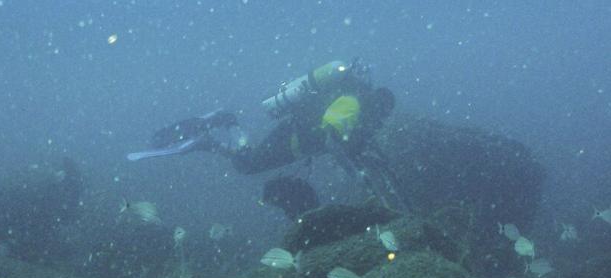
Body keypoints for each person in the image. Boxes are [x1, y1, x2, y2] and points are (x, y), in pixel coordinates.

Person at [127, 59, 407, 216]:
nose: (382, 120)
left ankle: (225, 129)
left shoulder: (356, 108)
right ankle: (220, 130)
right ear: (377, 104)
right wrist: (355, 174)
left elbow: (345, 142)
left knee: (247, 163)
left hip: (296, 142)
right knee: (247, 165)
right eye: (383, 113)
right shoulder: (352, 105)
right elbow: (332, 138)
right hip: (292, 140)